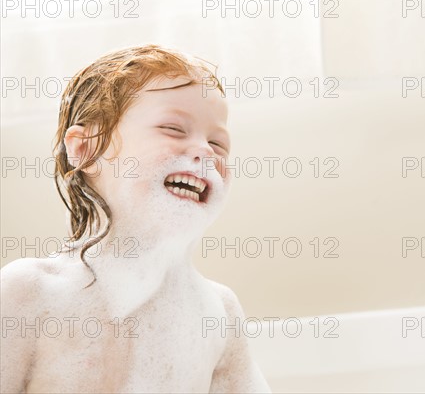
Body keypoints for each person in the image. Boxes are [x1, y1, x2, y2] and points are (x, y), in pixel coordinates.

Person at [0, 44, 271, 393]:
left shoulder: (218, 312)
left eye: (219, 144)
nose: (205, 151)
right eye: (174, 129)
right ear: (87, 149)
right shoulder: (30, 291)